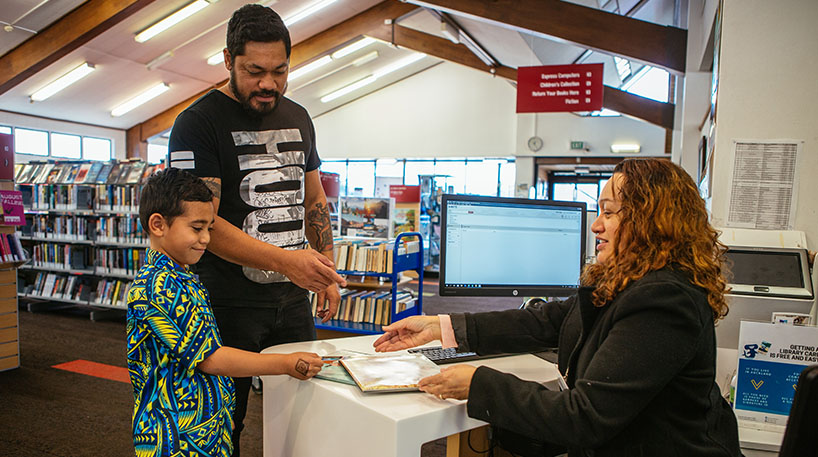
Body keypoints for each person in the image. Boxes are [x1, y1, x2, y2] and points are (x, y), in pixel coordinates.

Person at [374, 158, 742, 457]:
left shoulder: (663, 300)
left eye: (609, 213)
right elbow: (546, 321)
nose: (596, 225)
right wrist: (441, 328)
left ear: (651, 221)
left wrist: (478, 382)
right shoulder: (628, 281)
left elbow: (586, 417)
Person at [166, 5, 346, 454]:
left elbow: (314, 199)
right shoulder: (197, 123)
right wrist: (289, 262)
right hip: (225, 302)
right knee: (222, 424)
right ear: (228, 60)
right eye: (255, 71)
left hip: (291, 301)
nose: (269, 83)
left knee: (307, 417)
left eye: (280, 71)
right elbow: (201, 222)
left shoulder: (300, 116)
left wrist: (325, 269)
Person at [126, 168, 324, 457]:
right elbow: (210, 358)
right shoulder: (161, 285)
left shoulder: (181, 276)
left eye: (208, 228)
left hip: (201, 430)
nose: (206, 239)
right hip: (177, 439)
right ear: (158, 224)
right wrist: (284, 364)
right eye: (196, 228)